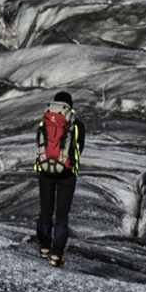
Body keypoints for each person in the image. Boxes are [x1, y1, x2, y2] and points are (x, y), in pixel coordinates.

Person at [32, 90, 83, 267]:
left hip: (45, 171)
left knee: (45, 210)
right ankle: (56, 254)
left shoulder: (44, 122)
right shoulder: (76, 125)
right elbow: (79, 149)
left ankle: (44, 247)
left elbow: (39, 144)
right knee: (61, 214)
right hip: (67, 174)